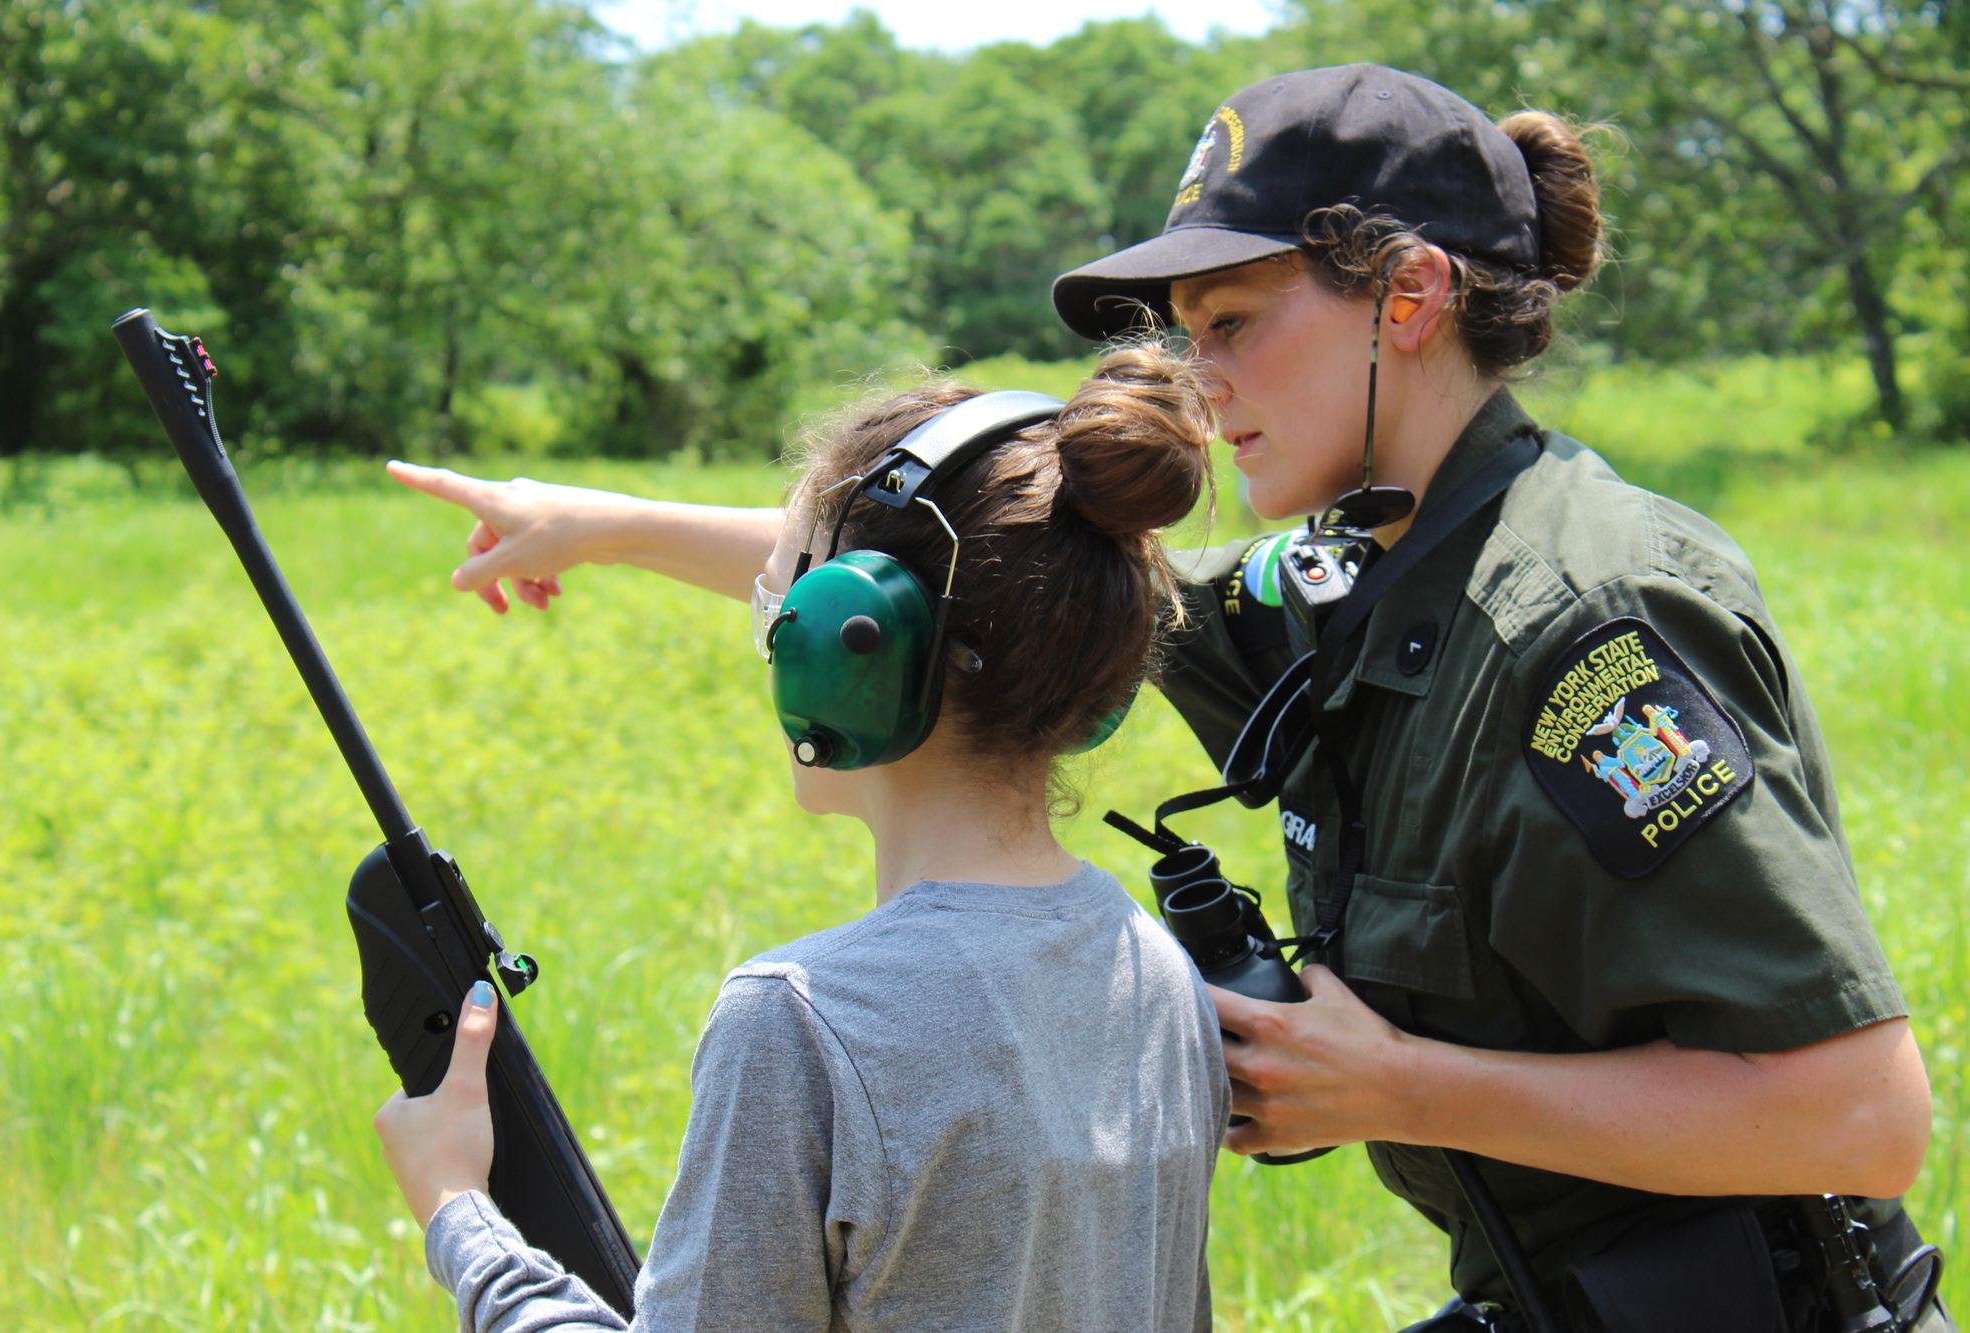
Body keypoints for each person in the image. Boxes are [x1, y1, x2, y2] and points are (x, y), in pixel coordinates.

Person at [389, 66, 1948, 1333]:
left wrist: (1400, 1085)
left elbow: (1855, 1117)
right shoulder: (1365, 568)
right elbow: (975, 586)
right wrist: (603, 521)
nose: (1197, 389)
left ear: (1408, 295)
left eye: (1233, 327)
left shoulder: (1584, 624)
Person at [371, 346, 1232, 1332]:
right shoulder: (1157, 974)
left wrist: (458, 1214)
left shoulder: (802, 1025)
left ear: (843, 642)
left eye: (779, 602)